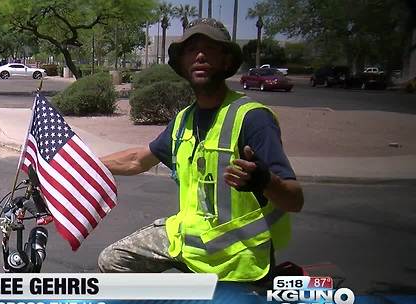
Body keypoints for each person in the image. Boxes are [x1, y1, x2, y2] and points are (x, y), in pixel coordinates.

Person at [98, 18, 304, 282]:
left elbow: (294, 200)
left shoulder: (252, 119)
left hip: (237, 260)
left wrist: (264, 181)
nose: (200, 55)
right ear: (182, 64)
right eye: (191, 49)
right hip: (186, 239)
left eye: (211, 48)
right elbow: (139, 160)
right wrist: (84, 164)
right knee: (112, 262)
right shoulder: (183, 120)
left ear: (227, 61)